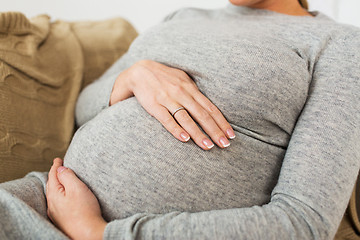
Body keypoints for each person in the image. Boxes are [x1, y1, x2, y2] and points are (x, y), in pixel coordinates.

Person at [1, 0, 360, 239]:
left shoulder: (340, 44)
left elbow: (304, 222)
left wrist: (96, 232)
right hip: (42, 199)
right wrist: (132, 77)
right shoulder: (183, 17)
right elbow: (84, 107)